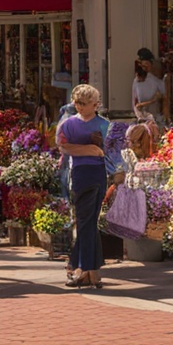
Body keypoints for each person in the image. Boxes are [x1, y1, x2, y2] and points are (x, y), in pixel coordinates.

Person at [57, 83, 111, 288]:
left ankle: (82, 268)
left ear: (95, 104)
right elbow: (63, 146)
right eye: (76, 102)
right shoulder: (69, 124)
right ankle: (91, 271)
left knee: (88, 221)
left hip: (97, 174)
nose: (79, 106)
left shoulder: (104, 124)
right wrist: (89, 149)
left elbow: (109, 151)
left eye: (84, 103)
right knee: (86, 222)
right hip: (79, 174)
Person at [131, 58, 166, 123]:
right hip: (143, 116)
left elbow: (163, 96)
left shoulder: (154, 81)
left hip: (153, 115)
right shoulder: (136, 82)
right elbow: (136, 104)